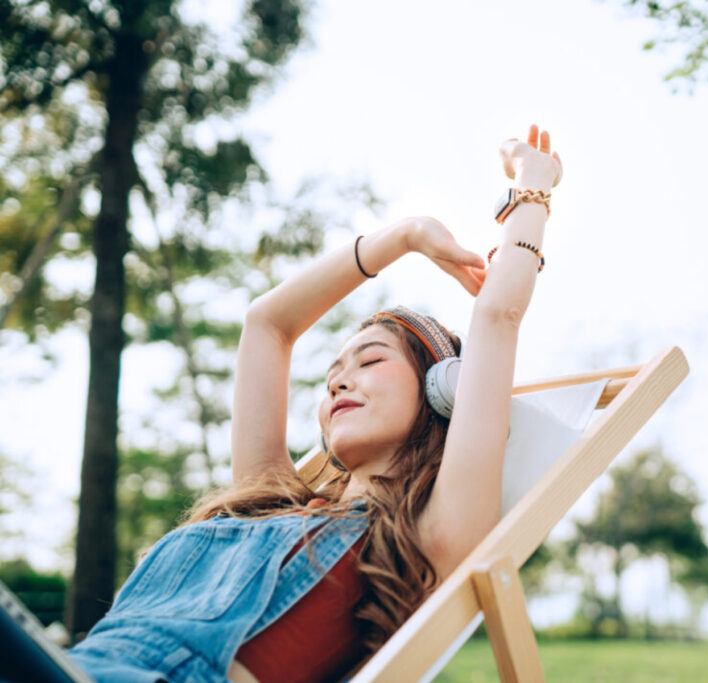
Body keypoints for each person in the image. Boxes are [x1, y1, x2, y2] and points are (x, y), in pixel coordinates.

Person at [63, 124, 563, 682]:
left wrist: (535, 185)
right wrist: (405, 236)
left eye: (370, 363)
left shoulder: (426, 537)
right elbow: (267, 324)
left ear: (442, 388)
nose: (339, 384)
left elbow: (498, 315)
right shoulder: (268, 497)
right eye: (331, 379)